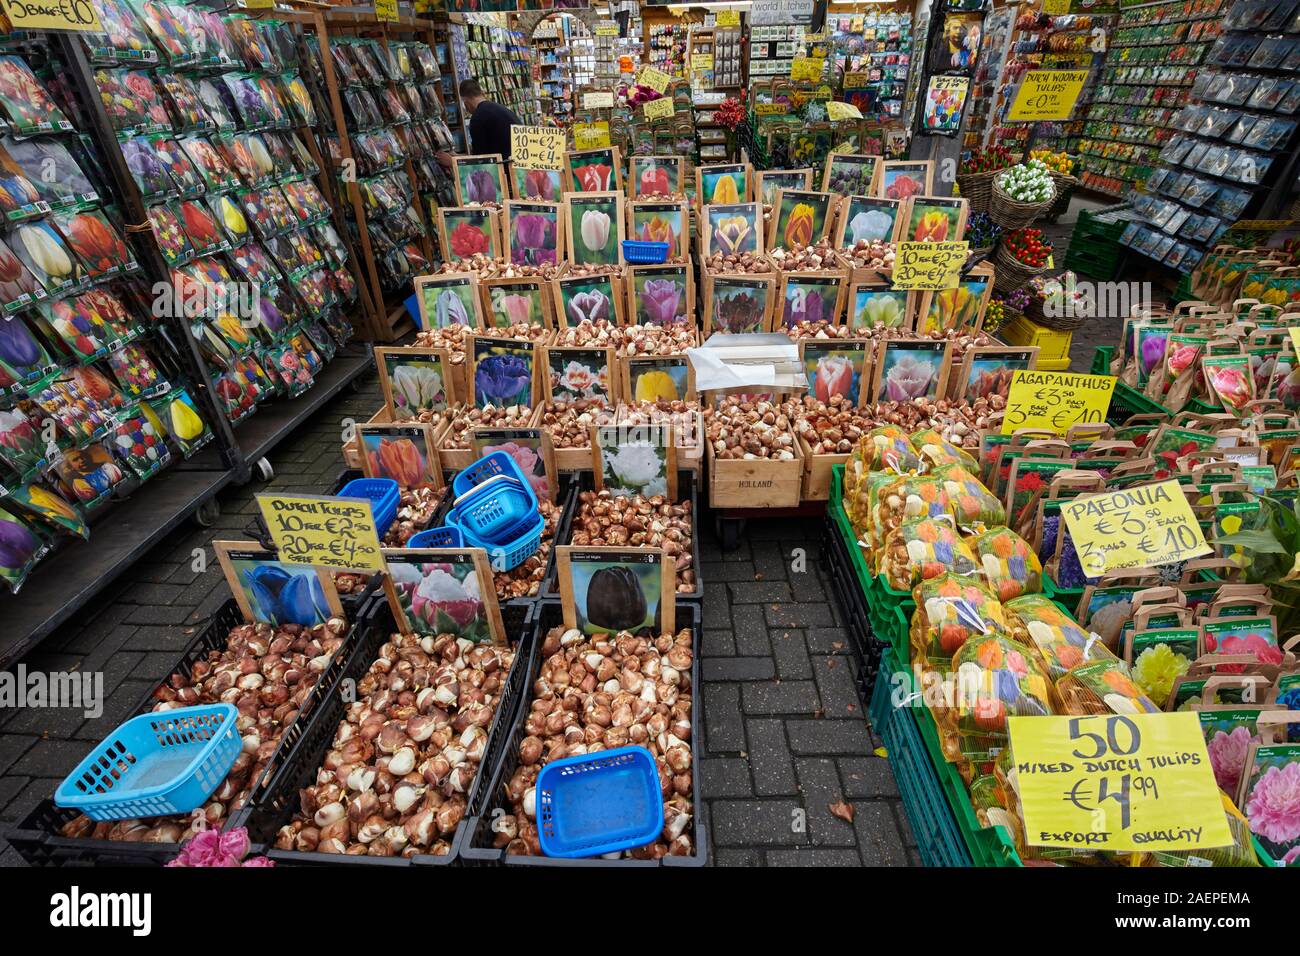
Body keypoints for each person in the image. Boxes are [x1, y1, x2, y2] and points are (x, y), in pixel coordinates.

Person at [435, 78, 522, 171]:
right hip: (518, 168)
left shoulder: (478, 117)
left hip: (506, 171)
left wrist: (452, 161)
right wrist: (459, 156)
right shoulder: (499, 108)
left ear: (465, 102)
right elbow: (482, 155)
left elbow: (480, 162)